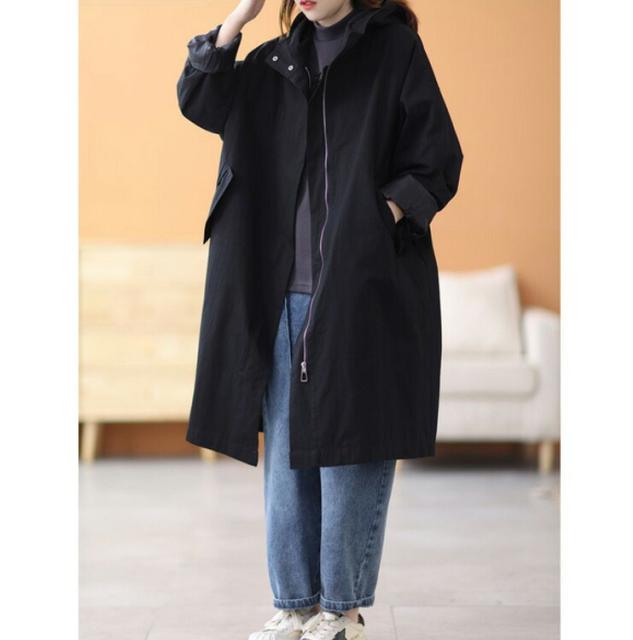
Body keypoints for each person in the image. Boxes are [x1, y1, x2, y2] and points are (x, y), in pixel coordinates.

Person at [177, 1, 463, 638]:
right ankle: (296, 604)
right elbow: (200, 99)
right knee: (286, 460)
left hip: (361, 291)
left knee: (352, 451)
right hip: (278, 293)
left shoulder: (393, 52)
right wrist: (239, 17)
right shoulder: (272, 62)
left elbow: (436, 157)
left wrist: (377, 220)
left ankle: (342, 611)